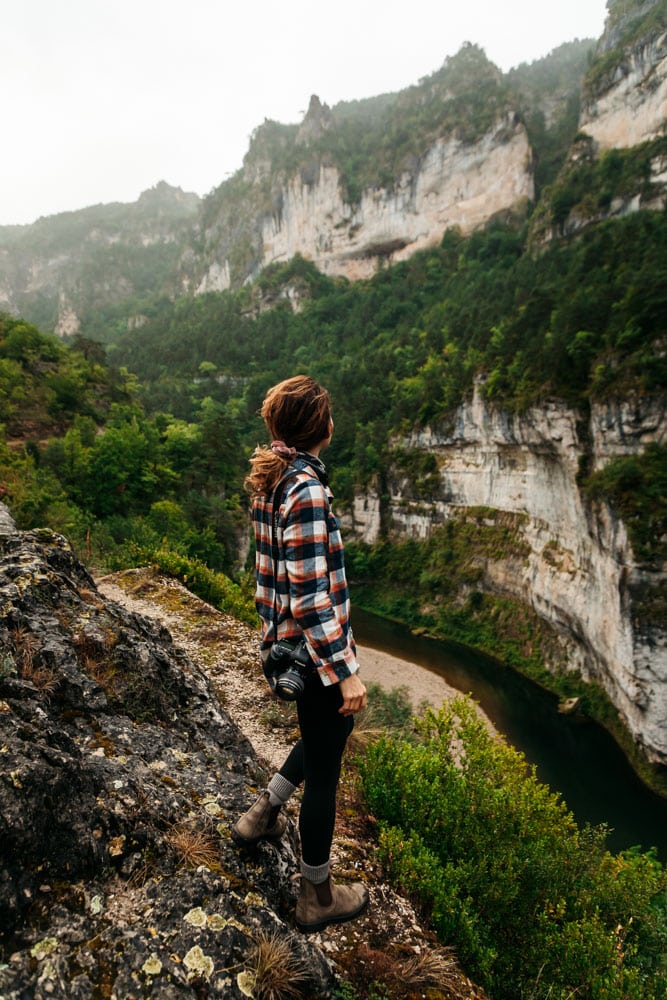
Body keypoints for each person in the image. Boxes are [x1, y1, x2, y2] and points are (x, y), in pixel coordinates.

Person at [231, 374, 369, 934]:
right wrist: (345, 673)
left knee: (320, 739)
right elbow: (312, 596)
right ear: (322, 427)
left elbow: (276, 580)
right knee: (328, 764)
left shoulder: (274, 478)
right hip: (313, 653)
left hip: (284, 645)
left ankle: (261, 814)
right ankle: (317, 895)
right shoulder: (305, 489)